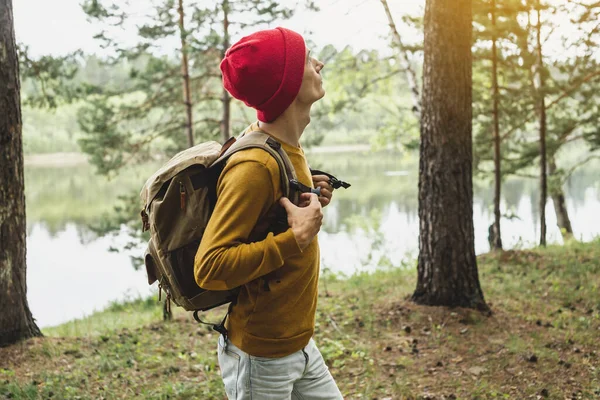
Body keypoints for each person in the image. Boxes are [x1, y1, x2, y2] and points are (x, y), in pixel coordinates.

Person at [194, 27, 343, 399]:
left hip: (299, 344)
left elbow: (269, 214)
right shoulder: (255, 167)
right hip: (261, 356)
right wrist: (296, 238)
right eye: (308, 58)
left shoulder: (285, 147)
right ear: (287, 84)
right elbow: (209, 267)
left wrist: (306, 194)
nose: (319, 63)